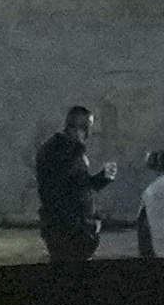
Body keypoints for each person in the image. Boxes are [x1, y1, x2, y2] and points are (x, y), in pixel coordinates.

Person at [30, 101, 112, 266]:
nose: (89, 135)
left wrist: (103, 178)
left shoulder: (59, 150)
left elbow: (78, 184)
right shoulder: (65, 152)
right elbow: (68, 189)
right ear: (78, 128)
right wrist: (86, 223)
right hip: (69, 228)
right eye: (87, 128)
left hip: (65, 226)